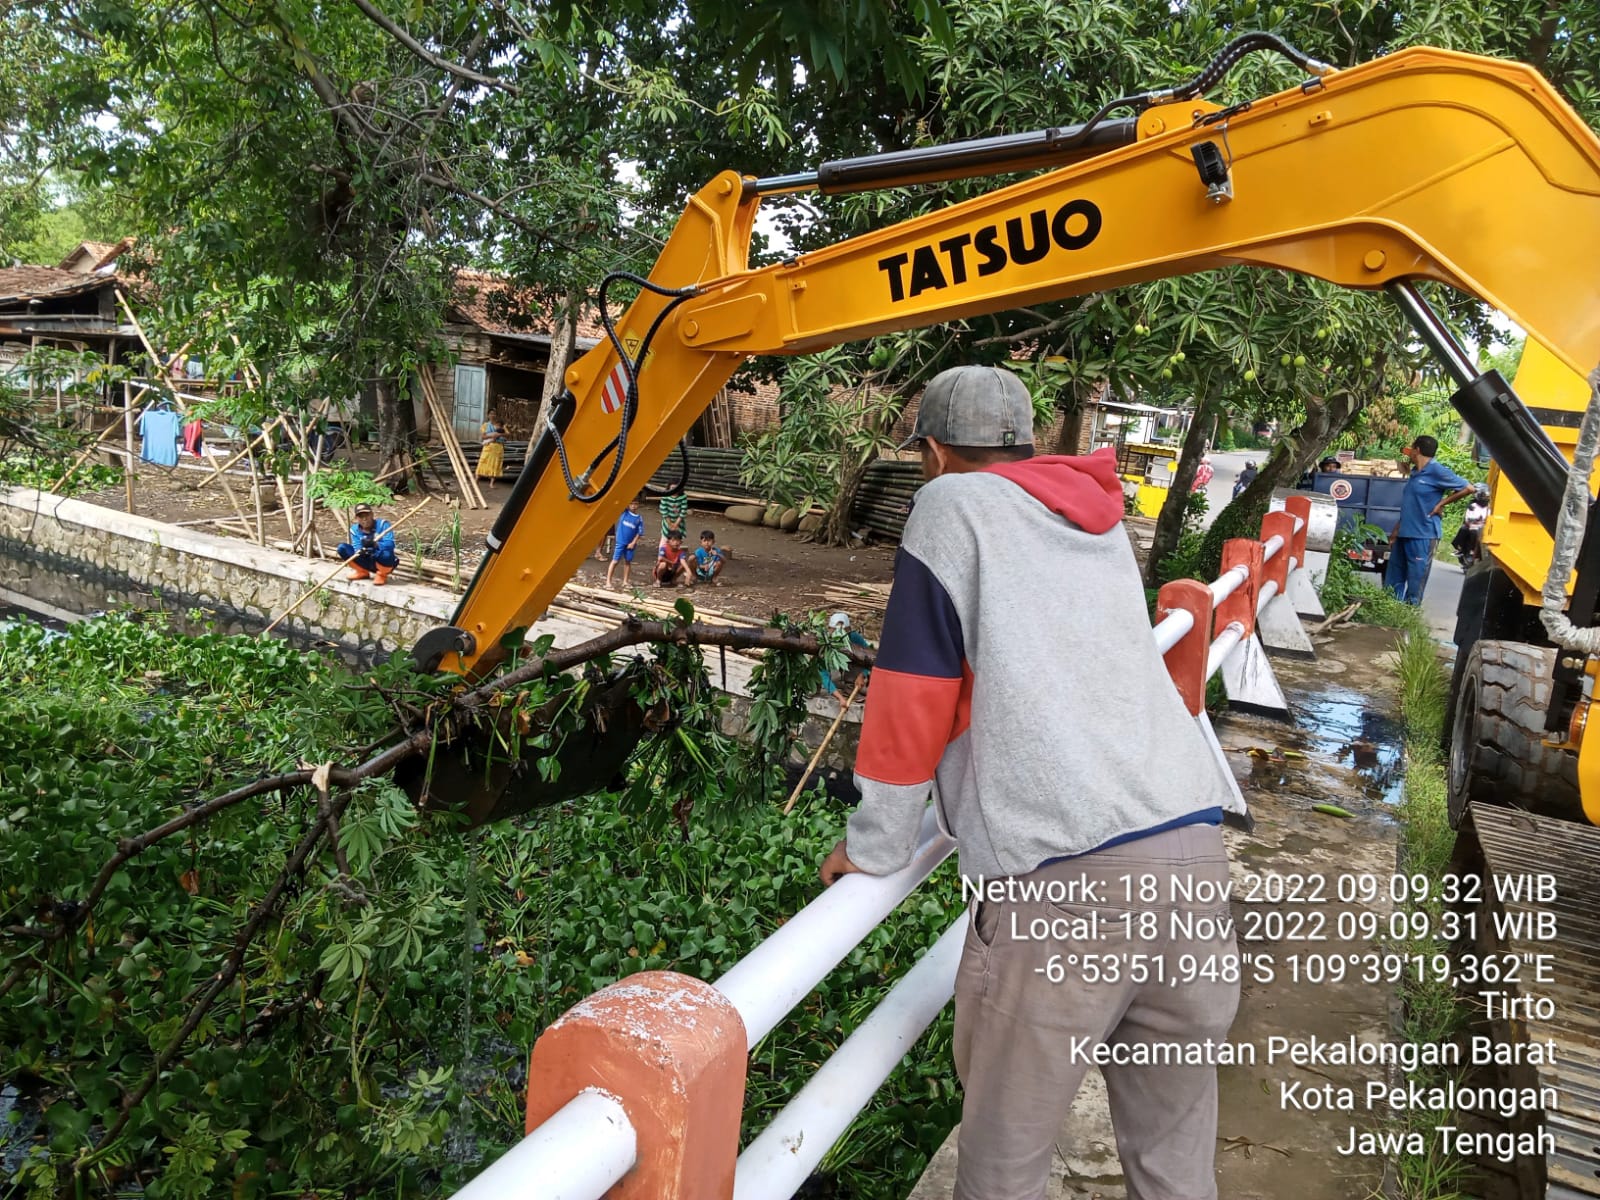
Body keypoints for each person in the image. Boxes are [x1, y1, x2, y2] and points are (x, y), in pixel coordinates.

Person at [817, 364, 1239, 1200]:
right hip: (1193, 854)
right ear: (1026, 441)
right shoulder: (1097, 518)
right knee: (1175, 1155)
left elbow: (914, 695)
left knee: (1003, 1166)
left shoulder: (950, 506)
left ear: (934, 452)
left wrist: (874, 845)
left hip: (1066, 883)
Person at [1385, 434, 1475, 604]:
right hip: (1404, 533)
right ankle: (1389, 614)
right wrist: (1396, 531)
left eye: (1411, 449)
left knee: (1415, 583)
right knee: (1393, 580)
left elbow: (1468, 488)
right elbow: (1410, 506)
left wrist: (1442, 503)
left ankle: (1408, 617)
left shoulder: (1436, 470)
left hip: (1423, 535)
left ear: (1417, 450)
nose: (1409, 452)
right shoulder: (1414, 473)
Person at [818, 612, 872, 710]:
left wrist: (862, 675)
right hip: (834, 671)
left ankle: (850, 687)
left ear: (849, 630)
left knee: (870, 691)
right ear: (830, 630)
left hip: (852, 668)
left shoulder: (854, 637)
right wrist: (840, 698)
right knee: (820, 679)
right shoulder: (824, 643)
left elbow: (869, 659)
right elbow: (823, 675)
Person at [338, 503, 398, 585]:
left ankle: (381, 575)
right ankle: (362, 572)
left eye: (367, 515)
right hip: (366, 559)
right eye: (361, 516)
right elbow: (357, 547)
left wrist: (375, 544)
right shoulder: (354, 530)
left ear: (372, 514)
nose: (364, 519)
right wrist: (361, 550)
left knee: (387, 554)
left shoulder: (383, 525)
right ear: (356, 518)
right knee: (342, 548)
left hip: (381, 560)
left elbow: (390, 544)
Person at [607, 498, 646, 588]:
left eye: (635, 504)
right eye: (631, 503)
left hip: (630, 543)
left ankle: (625, 581)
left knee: (628, 561)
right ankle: (608, 581)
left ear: (638, 505)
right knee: (615, 561)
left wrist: (633, 542)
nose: (633, 506)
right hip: (620, 541)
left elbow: (639, 533)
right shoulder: (624, 512)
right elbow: (619, 502)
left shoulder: (639, 518)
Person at [1453, 487, 1491, 567]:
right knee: (1465, 529)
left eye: (1487, 496)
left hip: (1484, 529)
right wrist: (1475, 521)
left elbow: (1489, 519)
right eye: (1484, 496)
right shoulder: (1473, 506)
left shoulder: (1489, 508)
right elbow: (1468, 519)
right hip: (1472, 527)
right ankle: (1464, 550)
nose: (1485, 498)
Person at [477, 411, 506, 487]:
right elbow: (483, 436)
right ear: (488, 415)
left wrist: (498, 434)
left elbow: (507, 434)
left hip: (498, 448)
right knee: (482, 463)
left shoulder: (502, 425)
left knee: (495, 465)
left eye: (494, 413)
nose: (493, 415)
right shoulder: (485, 425)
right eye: (491, 414)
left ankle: (491, 483)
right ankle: (476, 481)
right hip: (488, 447)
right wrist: (492, 435)